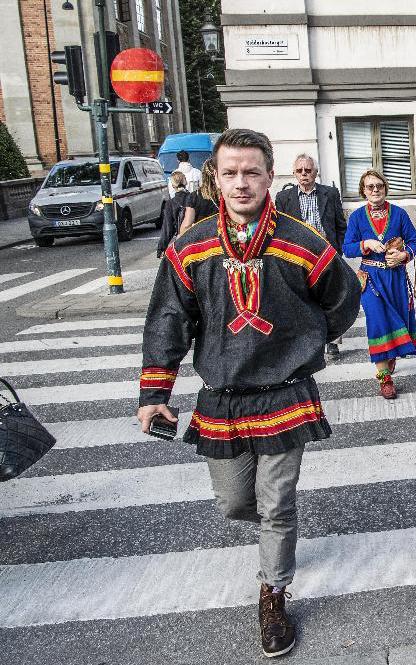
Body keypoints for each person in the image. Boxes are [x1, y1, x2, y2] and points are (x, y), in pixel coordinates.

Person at [136, 129, 360, 658]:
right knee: (237, 503)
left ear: (269, 176)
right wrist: (154, 389)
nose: (241, 183)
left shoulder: (301, 240)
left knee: (276, 503)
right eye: (230, 172)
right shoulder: (190, 247)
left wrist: (311, 338)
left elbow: (343, 296)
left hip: (285, 393)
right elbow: (169, 317)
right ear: (216, 178)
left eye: (252, 172)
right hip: (224, 397)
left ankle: (273, 592)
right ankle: (275, 537)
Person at [343, 170, 416, 399]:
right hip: (371, 279)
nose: (375, 190)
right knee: (377, 323)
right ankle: (384, 378)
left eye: (379, 186)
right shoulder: (357, 217)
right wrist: (365, 243)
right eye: (370, 187)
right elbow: (347, 247)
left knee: (395, 319)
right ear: (363, 191)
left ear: (385, 188)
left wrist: (403, 256)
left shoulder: (399, 214)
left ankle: (391, 354)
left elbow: (415, 242)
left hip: (395, 278)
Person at [275, 154, 351, 359]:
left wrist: (339, 252)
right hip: (299, 257)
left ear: (316, 172)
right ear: (294, 173)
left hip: (327, 253)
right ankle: (308, 341)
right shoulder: (284, 198)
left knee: (331, 298)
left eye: (308, 170)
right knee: (304, 300)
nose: (304, 174)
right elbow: (279, 231)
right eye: (299, 171)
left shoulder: (330, 193)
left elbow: (340, 224)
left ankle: (333, 342)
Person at [179, 158, 220, 234]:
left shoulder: (195, 196)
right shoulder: (227, 194)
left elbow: (186, 226)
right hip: (225, 238)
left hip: (203, 239)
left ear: (203, 175)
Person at [157, 171, 189, 255]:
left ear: (172, 185)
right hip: (197, 239)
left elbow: (168, 229)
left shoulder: (170, 204)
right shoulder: (194, 198)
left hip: (181, 241)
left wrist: (161, 248)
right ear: (185, 182)